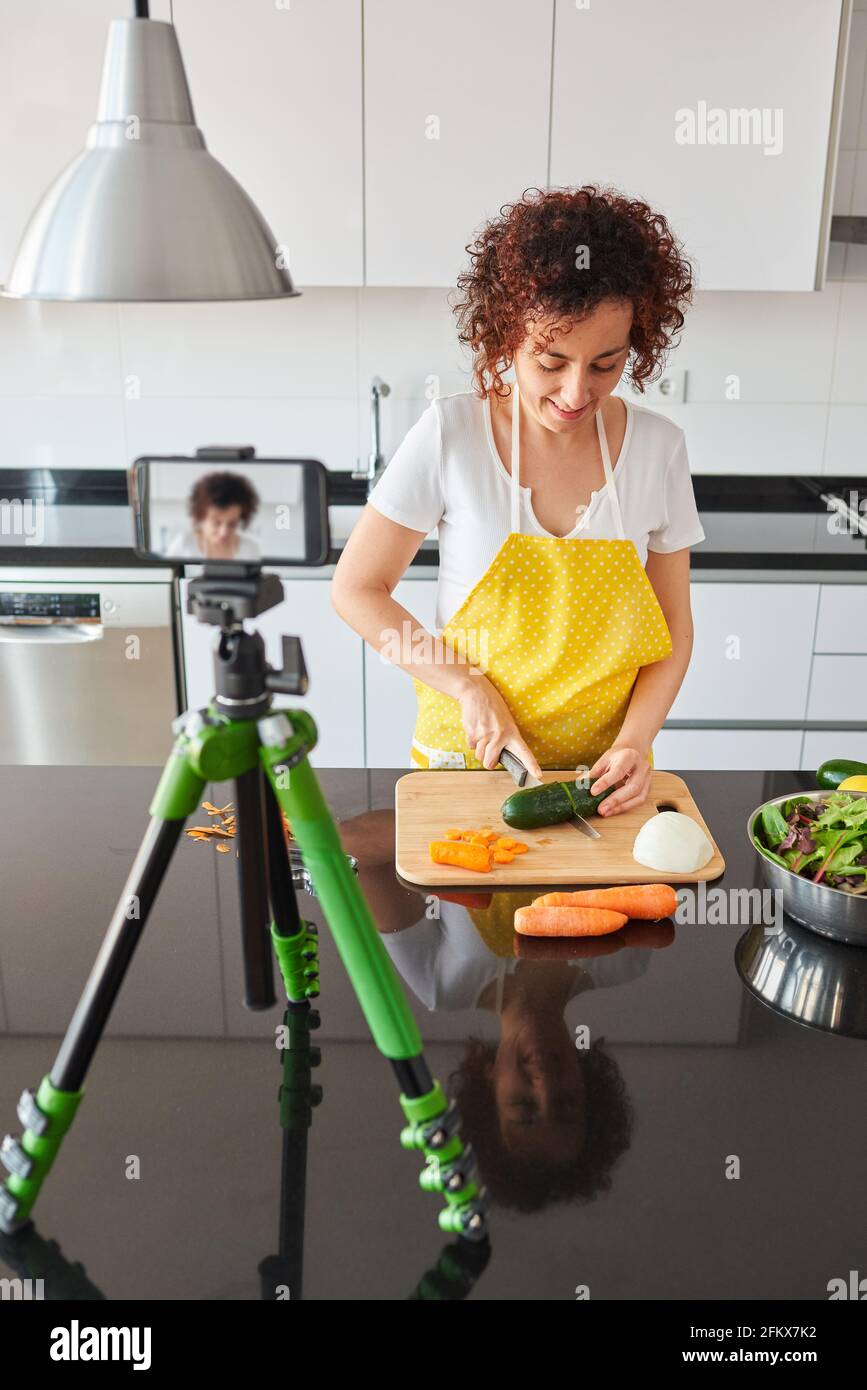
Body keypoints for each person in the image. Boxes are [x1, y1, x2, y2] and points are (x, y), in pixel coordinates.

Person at [332, 186, 705, 815]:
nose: (575, 391)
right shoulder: (452, 434)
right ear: (506, 338)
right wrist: (466, 684)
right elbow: (357, 591)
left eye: (605, 363)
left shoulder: (659, 449)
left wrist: (638, 743)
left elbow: (672, 628)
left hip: (601, 781)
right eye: (550, 361)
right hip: (464, 760)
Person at [167, 471, 262, 561]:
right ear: (202, 516)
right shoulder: (184, 544)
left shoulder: (250, 549)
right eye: (216, 523)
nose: (223, 532)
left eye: (232, 524)